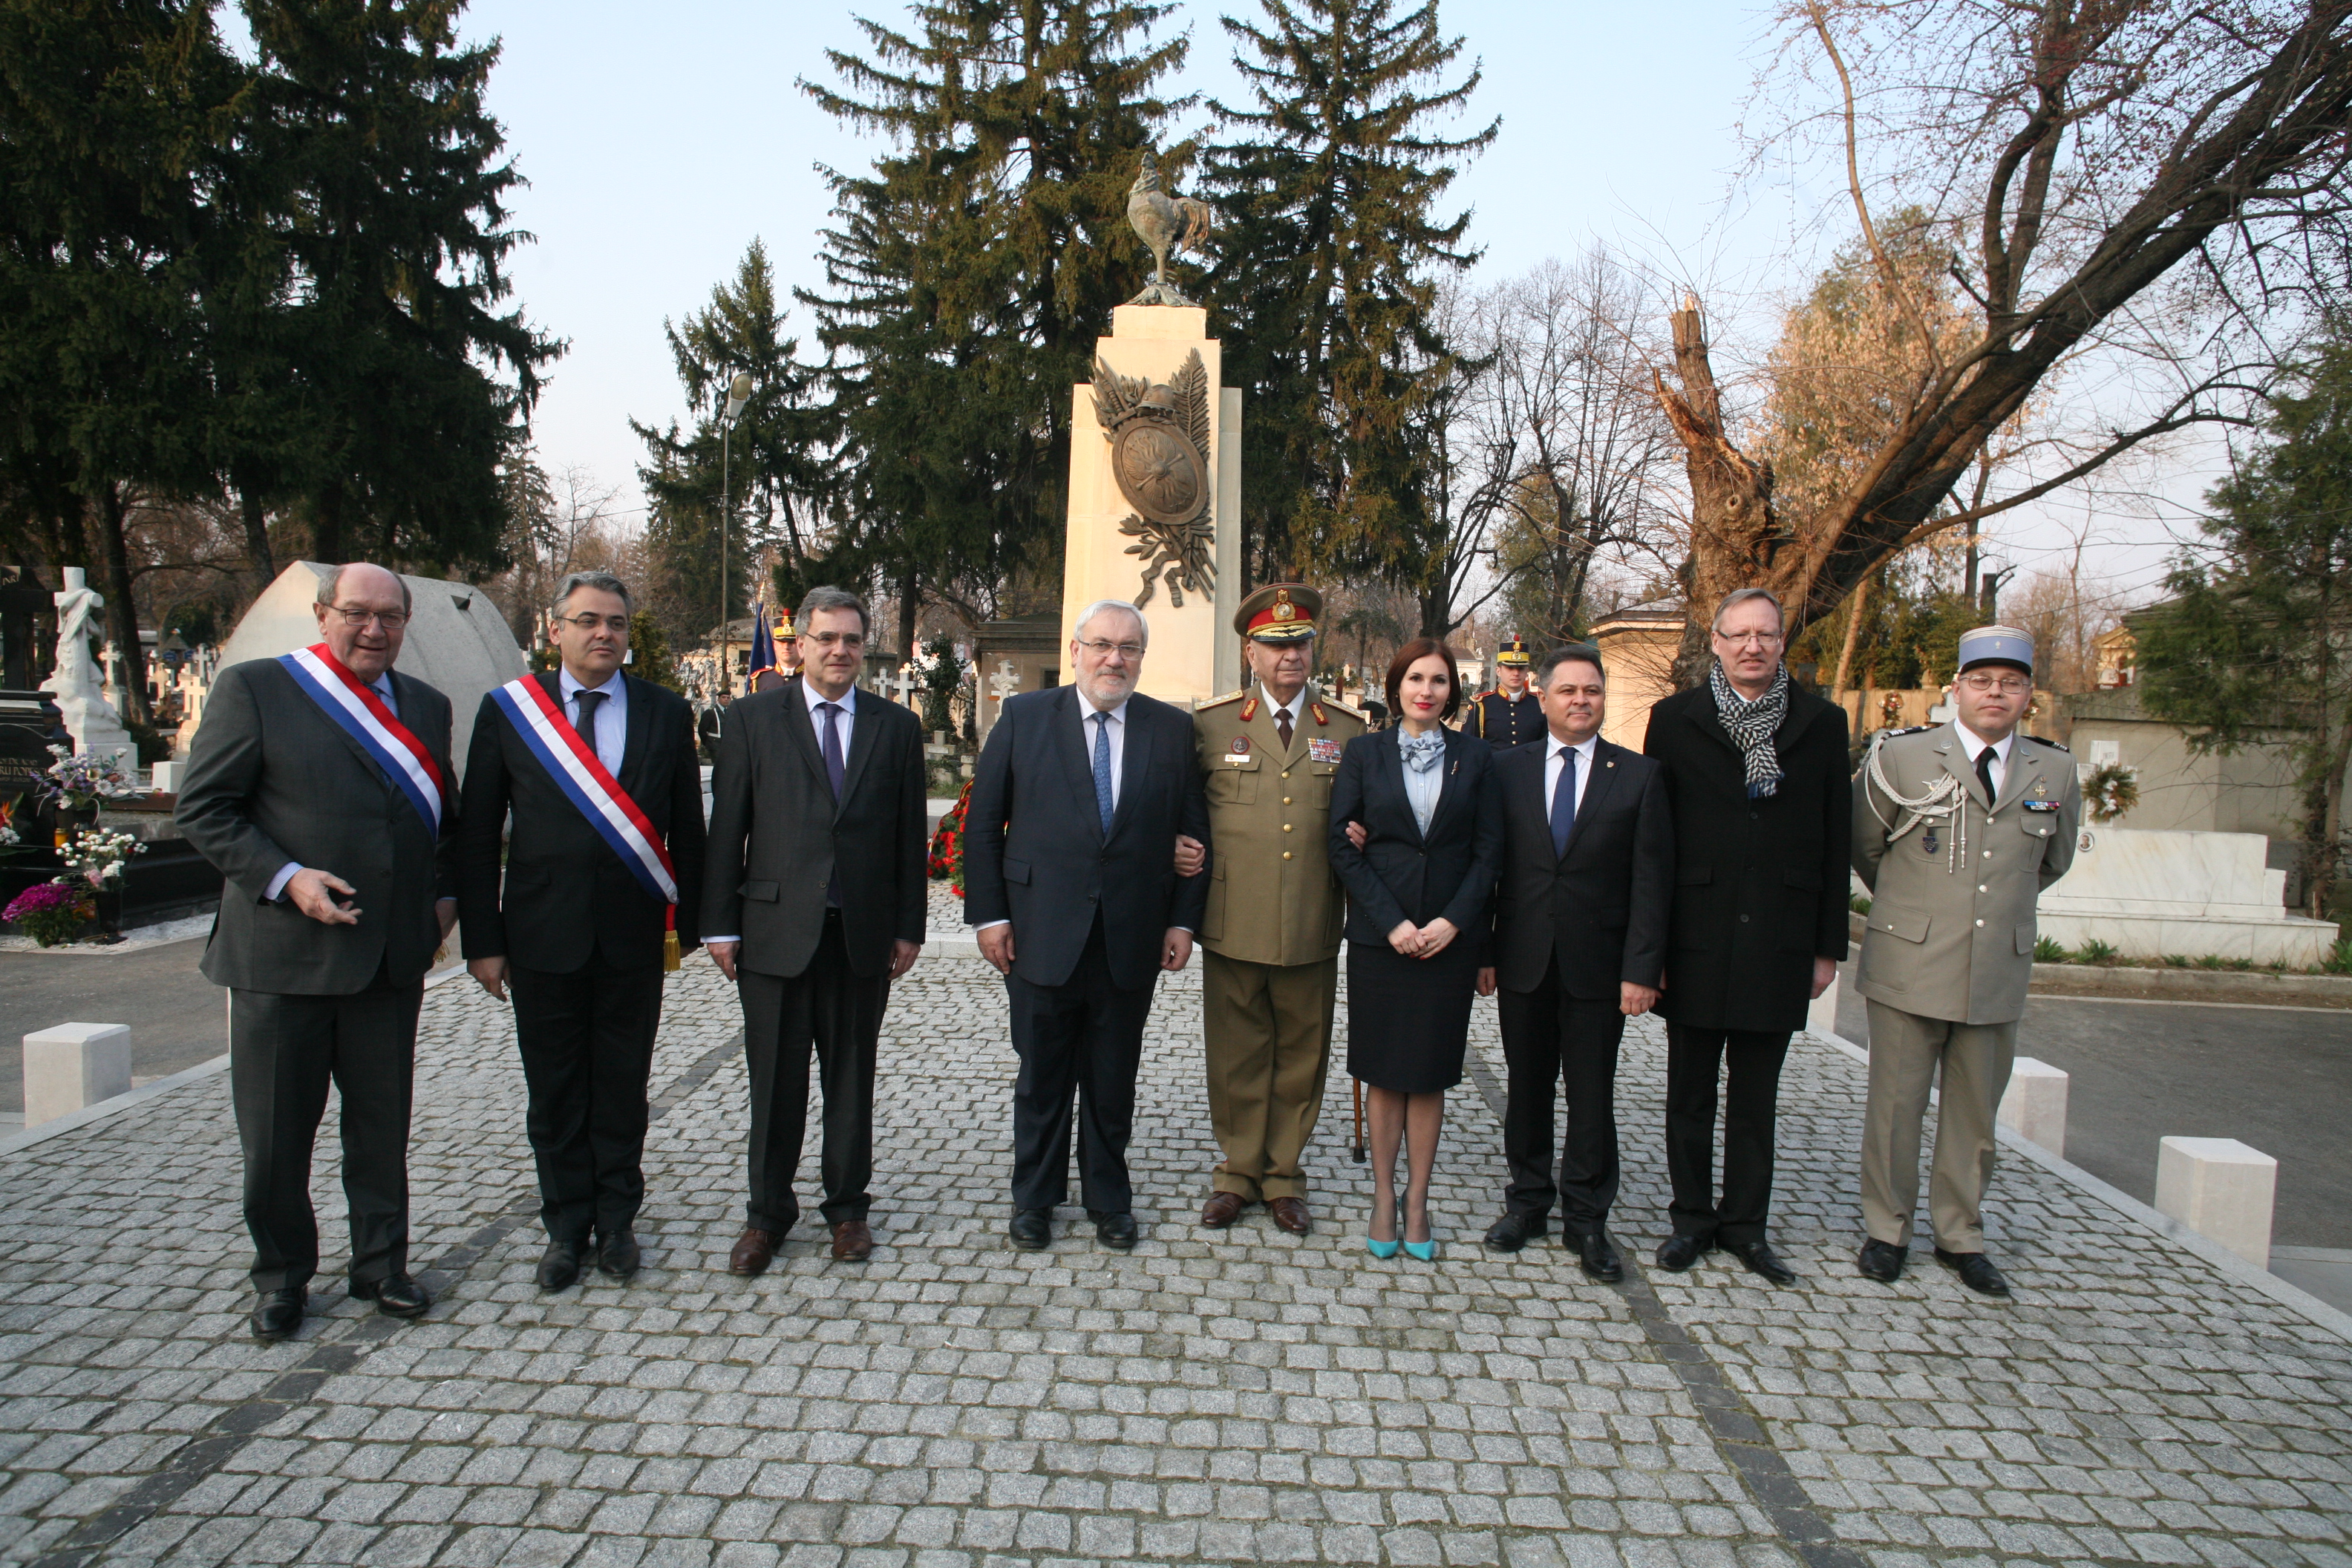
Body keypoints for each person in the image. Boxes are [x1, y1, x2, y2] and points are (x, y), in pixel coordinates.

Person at [175, 563, 458, 1342]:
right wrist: (286, 877)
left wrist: (442, 904)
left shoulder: (427, 708)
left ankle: (380, 1266)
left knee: (380, 1130)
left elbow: (446, 822)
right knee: (276, 1137)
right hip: (282, 961)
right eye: (358, 614)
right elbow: (203, 808)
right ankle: (281, 1278)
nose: (374, 630)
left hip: (387, 962)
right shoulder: (259, 689)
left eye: (390, 618)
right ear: (323, 613)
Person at [456, 571, 707, 1291]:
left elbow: (688, 826)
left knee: (624, 1089)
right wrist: (484, 940)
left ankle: (618, 1222)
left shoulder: (663, 711)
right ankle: (566, 1228)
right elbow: (478, 836)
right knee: (557, 1092)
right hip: (541, 938)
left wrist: (689, 926)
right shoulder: (510, 713)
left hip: (633, 939)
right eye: (589, 620)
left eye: (618, 623)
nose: (605, 634)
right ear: (557, 628)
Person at [964, 599, 1209, 1252]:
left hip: (1130, 936)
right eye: (1102, 644)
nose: (1114, 658)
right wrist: (990, 916)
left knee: (1111, 1079)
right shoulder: (1024, 717)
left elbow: (1194, 833)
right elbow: (983, 825)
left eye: (1128, 648)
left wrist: (1184, 923)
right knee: (1041, 1077)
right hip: (1041, 931)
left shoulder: (1170, 729)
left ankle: (1109, 1198)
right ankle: (1034, 1200)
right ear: (1075, 650)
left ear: (1140, 659)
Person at [702, 587, 927, 1271]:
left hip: (860, 933)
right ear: (799, 643)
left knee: (852, 1078)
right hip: (773, 931)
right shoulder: (751, 720)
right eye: (826, 638)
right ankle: (767, 1216)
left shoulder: (896, 727)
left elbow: (907, 836)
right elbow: (728, 829)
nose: (839, 651)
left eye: (852, 640)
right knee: (774, 1084)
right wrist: (718, 923)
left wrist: (908, 926)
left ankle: (847, 1209)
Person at [1852, 624, 2080, 1297]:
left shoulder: (2055, 769)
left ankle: (1960, 1234)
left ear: (2028, 694)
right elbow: (1868, 848)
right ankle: (1886, 1229)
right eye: (1982, 681)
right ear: (1958, 688)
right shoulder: (1904, 757)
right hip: (1911, 960)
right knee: (1895, 1107)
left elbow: (2052, 860)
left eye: (2010, 683)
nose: (1995, 693)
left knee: (1975, 1114)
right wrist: (1918, 911)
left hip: (1995, 969)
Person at [1641, 588, 1850, 1286]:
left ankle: (1747, 1227)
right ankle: (1691, 1221)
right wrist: (1651, 949)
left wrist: (1827, 948)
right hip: (1696, 934)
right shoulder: (1675, 721)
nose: (1753, 646)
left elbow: (1835, 839)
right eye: (1740, 635)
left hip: (1779, 938)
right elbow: (1656, 841)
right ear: (1718, 642)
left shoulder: (1822, 723)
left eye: (1766, 634)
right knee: (1690, 1093)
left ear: (1782, 642)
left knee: (1757, 1098)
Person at [1480, 643, 1673, 1281]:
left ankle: (1587, 1219)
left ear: (1602, 698)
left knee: (1592, 1096)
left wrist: (1642, 969)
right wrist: (1483, 953)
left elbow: (1652, 880)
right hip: (1524, 959)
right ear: (1544, 697)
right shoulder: (1505, 770)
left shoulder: (1638, 775)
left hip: (1599, 966)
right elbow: (1488, 869)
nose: (1581, 701)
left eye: (1592, 691)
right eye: (1568, 691)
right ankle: (1528, 1203)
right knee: (1527, 1090)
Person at [1182, 584, 1365, 1235]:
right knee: (1236, 1052)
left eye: (1301, 643)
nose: (1290, 655)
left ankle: (1284, 1176)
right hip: (1234, 919)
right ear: (1249, 652)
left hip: (1312, 917)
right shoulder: (1211, 725)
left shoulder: (1347, 729)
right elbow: (1184, 814)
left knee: (1301, 1053)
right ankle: (1236, 1174)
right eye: (1275, 645)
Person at [1327, 639, 1502, 1260]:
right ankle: (1381, 1196)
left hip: (1448, 942)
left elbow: (1490, 854)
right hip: (1383, 939)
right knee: (1383, 1072)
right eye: (1415, 679)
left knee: (1428, 1076)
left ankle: (1418, 1199)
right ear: (1396, 685)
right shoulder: (1364, 753)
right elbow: (1342, 845)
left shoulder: (1478, 758)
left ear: (1452, 690)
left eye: (1438, 681)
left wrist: (1455, 924)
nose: (1426, 690)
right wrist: (1392, 921)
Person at [1464, 634, 1544, 751]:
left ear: (1527, 671)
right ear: (1498, 671)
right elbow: (1468, 745)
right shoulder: (1480, 704)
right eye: (1510, 668)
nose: (1516, 673)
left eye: (1521, 669)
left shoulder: (1539, 703)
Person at [696, 686, 732, 762]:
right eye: (723, 697)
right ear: (718, 699)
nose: (726, 699)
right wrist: (708, 743)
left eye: (728, 698)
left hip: (727, 745)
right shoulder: (711, 712)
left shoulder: (730, 713)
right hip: (715, 744)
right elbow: (702, 730)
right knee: (718, 766)